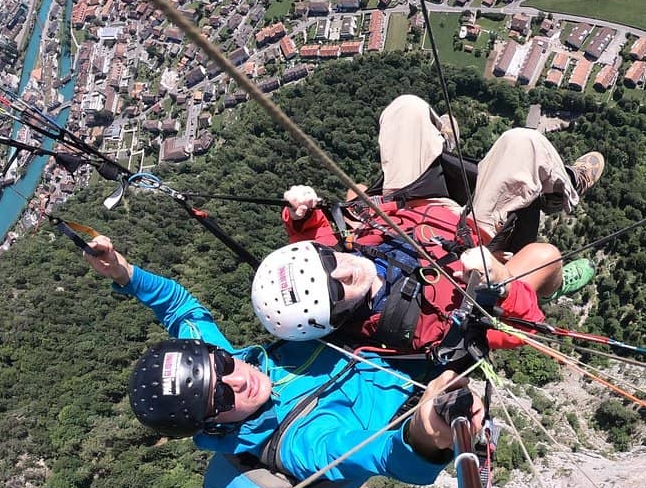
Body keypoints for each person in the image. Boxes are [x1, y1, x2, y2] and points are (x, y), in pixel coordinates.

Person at [83, 234, 485, 488]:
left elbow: (178, 307)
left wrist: (123, 272)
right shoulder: (299, 444)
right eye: (221, 395)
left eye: (222, 361)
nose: (238, 377)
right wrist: (426, 432)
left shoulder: (232, 367)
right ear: (212, 427)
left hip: (370, 329)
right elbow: (381, 456)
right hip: (424, 359)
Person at [251, 94, 604, 354]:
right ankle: (561, 196)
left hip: (410, 208)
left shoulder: (332, 255)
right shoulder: (408, 324)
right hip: (469, 242)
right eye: (336, 292)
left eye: (326, 262)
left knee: (406, 111)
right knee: (526, 160)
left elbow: (319, 236)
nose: (343, 272)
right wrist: (500, 283)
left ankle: (439, 144)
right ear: (338, 318)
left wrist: (301, 215)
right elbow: (511, 332)